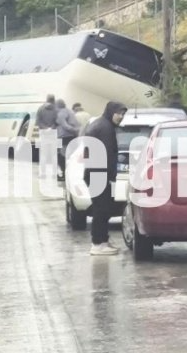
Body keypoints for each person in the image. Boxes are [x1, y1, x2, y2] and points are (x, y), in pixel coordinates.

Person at [82, 101, 127, 256]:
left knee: (103, 208)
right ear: (111, 112)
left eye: (123, 114)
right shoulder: (105, 129)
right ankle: (97, 244)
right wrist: (109, 176)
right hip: (99, 174)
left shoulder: (100, 124)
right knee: (101, 210)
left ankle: (103, 241)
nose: (121, 117)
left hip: (94, 173)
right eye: (118, 113)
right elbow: (107, 155)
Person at [56, 99, 81, 181]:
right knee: (70, 157)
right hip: (73, 137)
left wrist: (73, 130)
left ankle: (65, 174)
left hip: (65, 137)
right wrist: (76, 131)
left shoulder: (61, 113)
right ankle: (70, 174)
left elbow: (65, 126)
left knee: (62, 156)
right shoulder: (70, 111)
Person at [35, 94, 58, 178]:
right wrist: (51, 128)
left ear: (46, 99)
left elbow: (37, 122)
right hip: (53, 134)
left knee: (43, 155)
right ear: (54, 100)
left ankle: (43, 174)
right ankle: (54, 174)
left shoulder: (40, 108)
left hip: (43, 134)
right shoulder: (56, 109)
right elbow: (57, 121)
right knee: (54, 155)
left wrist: (45, 128)